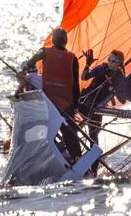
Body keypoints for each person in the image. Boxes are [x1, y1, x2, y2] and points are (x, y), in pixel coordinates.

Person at [22, 27, 81, 162]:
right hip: (66, 104)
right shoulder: (73, 58)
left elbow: (31, 62)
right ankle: (77, 160)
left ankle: (56, 156)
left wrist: (26, 70)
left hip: (48, 102)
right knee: (69, 134)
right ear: (66, 41)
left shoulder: (44, 51)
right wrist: (76, 106)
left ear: (53, 40)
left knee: (46, 131)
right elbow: (76, 86)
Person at [79, 49, 127, 145]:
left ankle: (95, 158)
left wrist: (115, 89)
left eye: (113, 61)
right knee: (71, 124)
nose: (109, 63)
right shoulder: (101, 68)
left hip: (98, 107)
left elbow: (123, 100)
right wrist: (88, 63)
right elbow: (84, 77)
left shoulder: (120, 78)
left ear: (119, 63)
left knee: (93, 134)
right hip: (85, 102)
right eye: (109, 60)